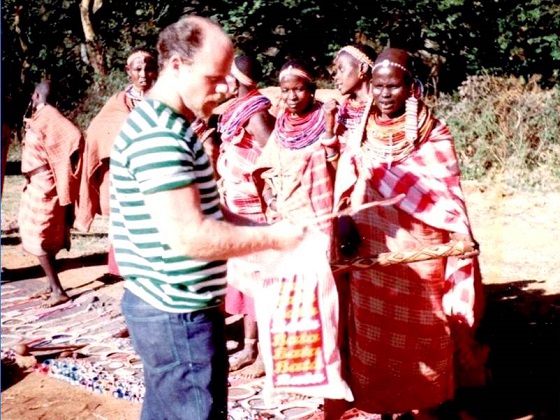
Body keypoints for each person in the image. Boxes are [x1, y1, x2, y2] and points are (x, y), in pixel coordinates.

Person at [110, 16, 305, 420]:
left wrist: (271, 230)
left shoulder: (171, 126)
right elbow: (191, 236)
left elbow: (207, 211)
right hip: (176, 315)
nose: (225, 88)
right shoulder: (161, 136)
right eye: (215, 77)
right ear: (178, 66)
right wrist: (273, 240)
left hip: (170, 308)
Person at [327, 48, 485, 419]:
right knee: (374, 338)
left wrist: (454, 238)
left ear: (411, 88)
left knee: (426, 329)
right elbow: (346, 186)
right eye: (379, 86)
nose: (384, 94)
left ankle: (426, 405)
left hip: (422, 251)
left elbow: (447, 197)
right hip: (371, 252)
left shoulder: (434, 133)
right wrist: (344, 220)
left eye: (393, 86)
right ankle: (384, 407)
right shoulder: (360, 131)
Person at [216, 54, 276, 378]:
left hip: (255, 212)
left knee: (260, 284)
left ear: (236, 79)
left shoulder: (256, 114)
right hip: (236, 208)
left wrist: (270, 195)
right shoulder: (235, 112)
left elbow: (276, 156)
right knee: (244, 282)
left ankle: (266, 355)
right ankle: (250, 346)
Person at [74, 49, 158, 279]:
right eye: (138, 69)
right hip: (127, 176)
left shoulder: (167, 99)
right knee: (127, 223)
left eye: (149, 68)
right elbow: (97, 135)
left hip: (158, 174)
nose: (144, 74)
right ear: (128, 72)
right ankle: (128, 271)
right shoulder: (117, 104)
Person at [253, 59, 337, 239]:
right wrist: (272, 202)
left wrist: (330, 129)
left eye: (299, 89)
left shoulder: (328, 120)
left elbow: (338, 170)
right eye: (285, 90)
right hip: (284, 217)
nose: (292, 97)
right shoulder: (282, 125)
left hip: (318, 216)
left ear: (312, 91)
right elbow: (266, 170)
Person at [18, 80, 84, 307]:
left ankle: (58, 290)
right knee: (44, 235)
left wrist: (60, 165)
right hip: (38, 183)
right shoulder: (41, 116)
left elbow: (74, 136)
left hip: (45, 185)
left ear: (36, 95)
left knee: (39, 237)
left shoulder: (49, 115)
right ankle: (50, 284)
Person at [322, 44, 377, 154]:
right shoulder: (343, 108)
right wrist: (329, 124)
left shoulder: (383, 108)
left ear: (363, 68)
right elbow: (334, 160)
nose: (336, 77)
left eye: (341, 69)